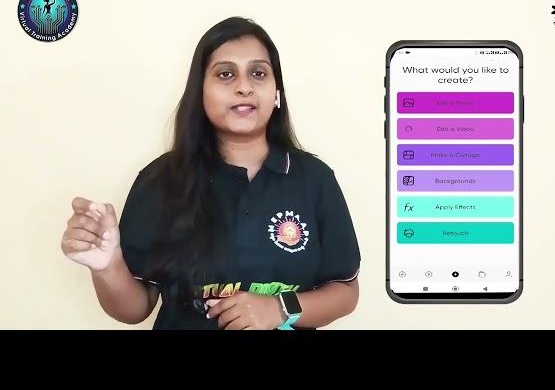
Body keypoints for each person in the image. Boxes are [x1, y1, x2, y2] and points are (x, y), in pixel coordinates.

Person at [60, 17, 361, 330]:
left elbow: (344, 291)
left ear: (276, 93)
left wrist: (279, 309)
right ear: (200, 91)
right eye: (225, 74)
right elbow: (135, 309)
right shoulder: (160, 180)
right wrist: (107, 265)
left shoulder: (314, 180)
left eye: (258, 73)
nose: (244, 87)